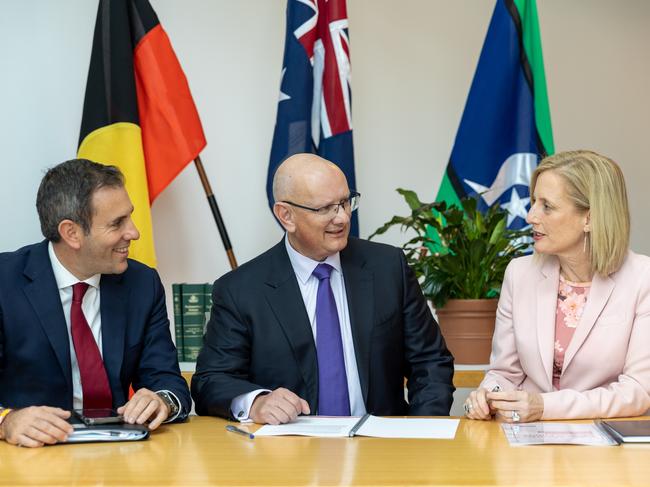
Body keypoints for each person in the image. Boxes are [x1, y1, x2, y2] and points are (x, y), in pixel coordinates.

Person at [192, 153, 454, 424]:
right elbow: (211, 380)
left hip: (380, 450)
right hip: (288, 453)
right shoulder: (241, 290)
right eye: (325, 208)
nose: (341, 218)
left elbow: (430, 361)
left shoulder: (388, 268)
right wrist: (256, 402)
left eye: (344, 202)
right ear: (286, 216)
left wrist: (423, 432)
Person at [0, 159, 191, 447]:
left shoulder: (142, 283)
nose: (134, 232)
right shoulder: (5, 282)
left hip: (119, 451)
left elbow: (168, 381)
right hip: (32, 456)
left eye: (129, 217)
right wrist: (6, 420)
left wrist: (162, 400)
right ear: (71, 233)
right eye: (117, 223)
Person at [464, 150, 650, 423]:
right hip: (525, 444)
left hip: (604, 447)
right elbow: (505, 373)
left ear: (590, 218)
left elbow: (637, 390)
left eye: (547, 206)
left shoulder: (642, 278)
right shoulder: (519, 273)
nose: (530, 216)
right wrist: (487, 395)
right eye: (533, 202)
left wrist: (545, 407)